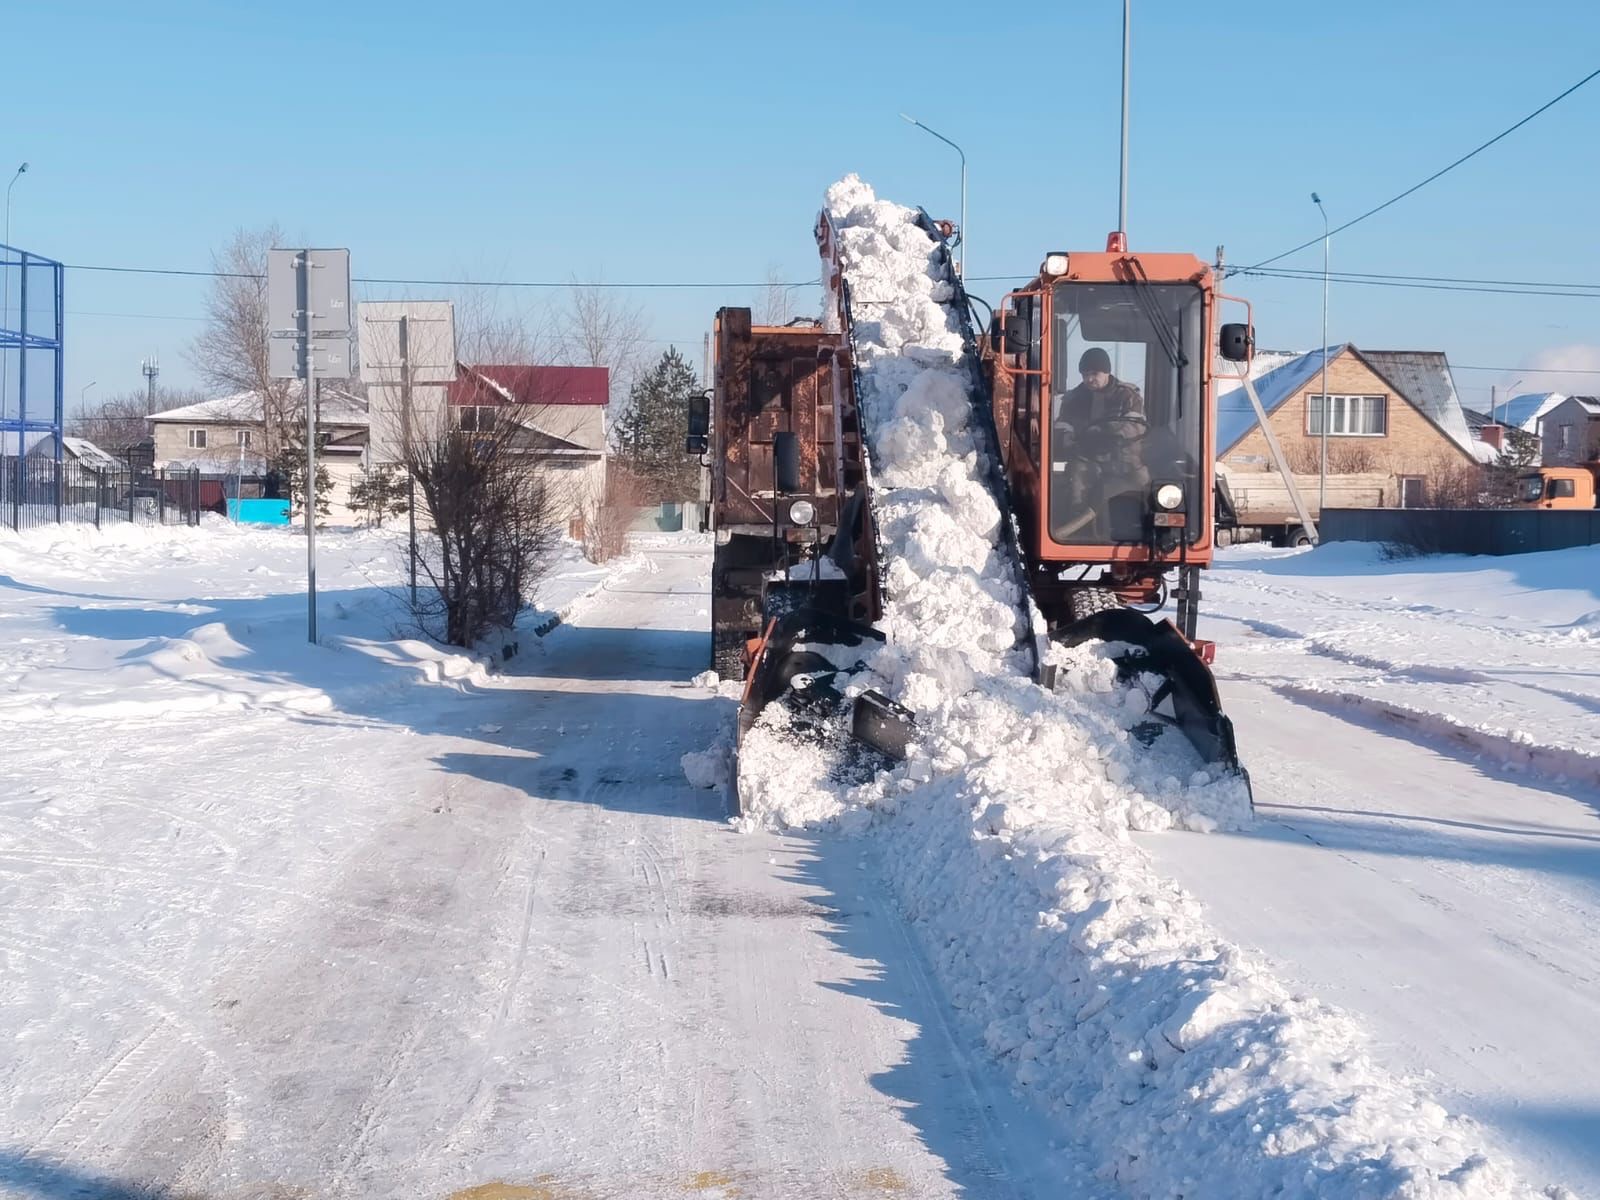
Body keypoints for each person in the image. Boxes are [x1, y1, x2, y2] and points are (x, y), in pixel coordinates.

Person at [1050, 347, 1150, 538]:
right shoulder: (1073, 399)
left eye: (1094, 373)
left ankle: (1143, 530)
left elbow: (1136, 425)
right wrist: (1069, 439)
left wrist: (1108, 436)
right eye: (1085, 374)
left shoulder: (1128, 396)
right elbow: (1062, 425)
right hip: (1086, 459)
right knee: (1077, 479)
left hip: (1125, 461)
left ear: (1107, 372)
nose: (1089, 379)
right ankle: (1079, 528)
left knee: (1145, 484)